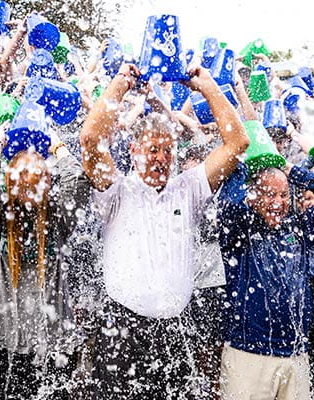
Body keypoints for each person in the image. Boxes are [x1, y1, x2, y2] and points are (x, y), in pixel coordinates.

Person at [79, 62, 249, 398]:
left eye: (167, 150)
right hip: (121, 332)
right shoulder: (117, 192)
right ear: (133, 150)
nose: (160, 158)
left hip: (175, 331)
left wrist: (208, 87)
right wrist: (121, 84)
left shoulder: (188, 189)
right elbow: (90, 138)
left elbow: (237, 143)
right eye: (152, 149)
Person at [0, 124, 92, 399]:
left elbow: (78, 181)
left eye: (38, 172)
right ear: (10, 180)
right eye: (22, 172)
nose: (30, 178)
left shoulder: (58, 220)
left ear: (49, 182)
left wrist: (57, 143)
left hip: (53, 342)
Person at [217, 158, 314, 399]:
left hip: (296, 354)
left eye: (284, 195)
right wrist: (245, 163)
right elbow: (227, 201)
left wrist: (292, 171)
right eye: (270, 195)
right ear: (253, 196)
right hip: (249, 353)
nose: (278, 203)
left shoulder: (300, 229)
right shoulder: (241, 228)